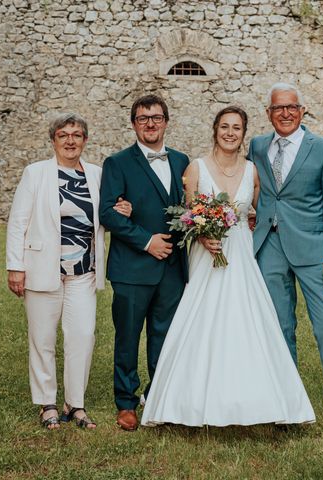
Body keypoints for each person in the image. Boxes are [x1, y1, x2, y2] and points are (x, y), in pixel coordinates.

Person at [141, 106, 315, 427]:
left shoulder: (253, 171)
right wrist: (203, 235)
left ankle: (258, 400)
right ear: (215, 130)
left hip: (241, 254)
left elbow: (260, 212)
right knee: (200, 319)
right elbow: (187, 215)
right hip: (207, 254)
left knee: (247, 320)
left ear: (243, 133)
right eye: (225, 127)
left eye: (236, 128)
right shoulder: (196, 168)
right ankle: (184, 402)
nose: (230, 133)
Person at [248, 83, 323, 436]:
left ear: (303, 111)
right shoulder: (257, 146)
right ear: (268, 113)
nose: (284, 113)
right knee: (279, 328)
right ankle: (286, 405)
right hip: (268, 247)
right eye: (277, 108)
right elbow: (253, 188)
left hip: (315, 251)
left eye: (291, 107)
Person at [6, 113, 132, 430]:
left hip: (84, 272)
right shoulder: (35, 174)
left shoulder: (97, 174)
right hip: (42, 269)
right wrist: (15, 267)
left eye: (77, 135)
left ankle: (75, 405)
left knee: (82, 337)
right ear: (54, 140)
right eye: (63, 135)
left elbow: (104, 214)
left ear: (85, 140)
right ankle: (47, 404)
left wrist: (122, 210)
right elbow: (18, 222)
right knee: (43, 339)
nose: (70, 140)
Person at [99, 94, 189, 431]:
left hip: (173, 269)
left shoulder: (183, 161)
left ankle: (158, 396)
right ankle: (125, 402)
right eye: (142, 118)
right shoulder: (118, 163)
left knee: (164, 336)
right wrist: (146, 241)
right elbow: (107, 212)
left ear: (166, 121)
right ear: (133, 123)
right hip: (133, 268)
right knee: (127, 336)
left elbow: (193, 206)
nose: (150, 123)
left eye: (156, 117)